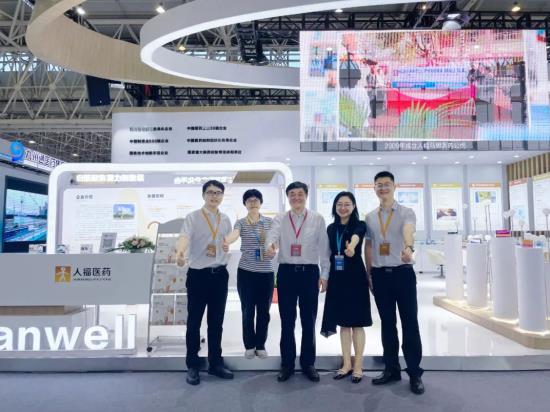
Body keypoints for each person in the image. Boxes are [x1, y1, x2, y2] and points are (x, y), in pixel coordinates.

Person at [364, 171, 425, 395]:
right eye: (379, 185)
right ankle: (391, 369)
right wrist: (369, 273)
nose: (383, 188)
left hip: (403, 274)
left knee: (410, 323)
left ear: (394, 186)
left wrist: (409, 248)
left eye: (386, 184)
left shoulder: (406, 212)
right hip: (380, 276)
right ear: (374, 189)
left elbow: (408, 230)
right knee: (387, 324)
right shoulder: (370, 217)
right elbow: (369, 246)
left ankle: (415, 373)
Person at [265, 181, 330, 382]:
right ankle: (287, 364)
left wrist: (325, 274)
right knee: (287, 321)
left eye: (300, 194)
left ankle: (308, 363)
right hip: (287, 273)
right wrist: (270, 246)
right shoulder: (281, 218)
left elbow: (324, 248)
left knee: (308, 321)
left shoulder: (317, 218)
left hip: (309, 273)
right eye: (292, 194)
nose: (296, 198)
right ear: (288, 197)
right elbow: (272, 236)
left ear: (306, 195)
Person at [176, 180, 233, 386]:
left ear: (222, 196)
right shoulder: (193, 217)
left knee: (216, 322)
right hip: (198, 275)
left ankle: (215, 363)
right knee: (194, 321)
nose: (214, 196)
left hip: (219, 275)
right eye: (210, 192)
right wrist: (180, 252)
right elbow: (184, 237)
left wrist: (226, 246)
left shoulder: (225, 219)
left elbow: (227, 241)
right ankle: (193, 365)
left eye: (218, 193)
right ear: (203, 195)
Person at [321, 191, 372, 384]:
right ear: (335, 207)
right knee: (343, 323)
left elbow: (357, 236)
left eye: (347, 204)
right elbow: (327, 254)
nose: (343, 208)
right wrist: (325, 277)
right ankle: (346, 364)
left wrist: (351, 247)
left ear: (354, 206)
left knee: (357, 323)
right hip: (337, 277)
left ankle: (358, 365)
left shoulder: (360, 225)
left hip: (355, 276)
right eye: (339, 204)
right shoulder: (331, 228)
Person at [224, 189, 275, 359]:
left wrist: (273, 249)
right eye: (249, 200)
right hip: (246, 273)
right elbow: (234, 235)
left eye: (256, 200)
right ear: (245, 204)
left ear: (260, 203)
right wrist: (226, 241)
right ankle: (249, 345)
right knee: (247, 311)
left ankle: (260, 345)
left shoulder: (269, 222)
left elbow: (275, 241)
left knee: (264, 312)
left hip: (266, 273)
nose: (253, 203)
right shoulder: (241, 223)